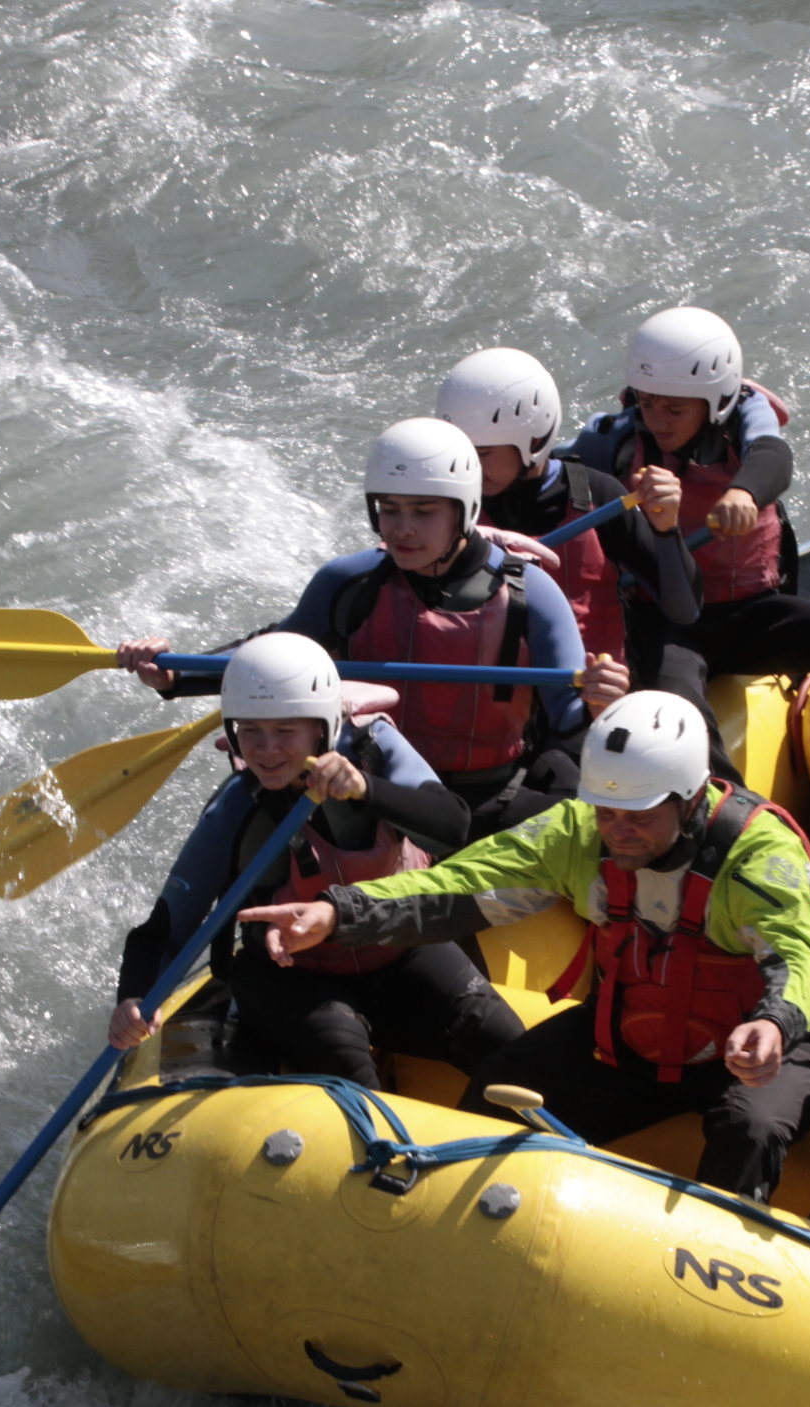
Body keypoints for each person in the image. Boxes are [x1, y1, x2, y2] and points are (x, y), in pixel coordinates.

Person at [237, 691, 810, 1203]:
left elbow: (797, 955)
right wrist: (336, 912)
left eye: (638, 815)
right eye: (605, 810)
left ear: (689, 798)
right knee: (501, 1086)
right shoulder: (580, 834)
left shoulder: (756, 855)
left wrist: (776, 1023)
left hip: (762, 1047)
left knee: (749, 1128)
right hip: (634, 1035)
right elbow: (454, 885)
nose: (616, 830)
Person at [119, 417, 628, 840]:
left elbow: (570, 726)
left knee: (585, 820)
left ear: (465, 511)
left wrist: (601, 703)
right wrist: (175, 675)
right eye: (389, 509)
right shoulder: (349, 582)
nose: (402, 528)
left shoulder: (529, 595)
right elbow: (273, 656)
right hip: (369, 786)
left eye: (423, 512)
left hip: (489, 799)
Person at [107, 633, 524, 1089]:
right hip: (294, 981)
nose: (266, 751)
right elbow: (163, 932)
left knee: (513, 1053)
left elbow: (450, 824)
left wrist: (367, 790)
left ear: (321, 726)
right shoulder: (236, 808)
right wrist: (133, 997)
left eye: (285, 731)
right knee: (350, 1072)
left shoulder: (375, 749)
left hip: (401, 952)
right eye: (250, 731)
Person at [572, 307, 810, 876]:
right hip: (669, 622)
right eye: (648, 402)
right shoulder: (619, 440)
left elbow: (774, 458)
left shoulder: (746, 414)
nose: (659, 418)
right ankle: (749, 839)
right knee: (683, 709)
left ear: (716, 400)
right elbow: (556, 479)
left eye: (675, 407)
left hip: (752, 611)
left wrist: (745, 490)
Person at [435, 346, 700, 668]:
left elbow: (684, 610)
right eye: (462, 453)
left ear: (533, 442)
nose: (469, 468)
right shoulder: (450, 508)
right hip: (497, 698)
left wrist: (666, 529)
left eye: (483, 454)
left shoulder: (600, 495)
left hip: (592, 692)